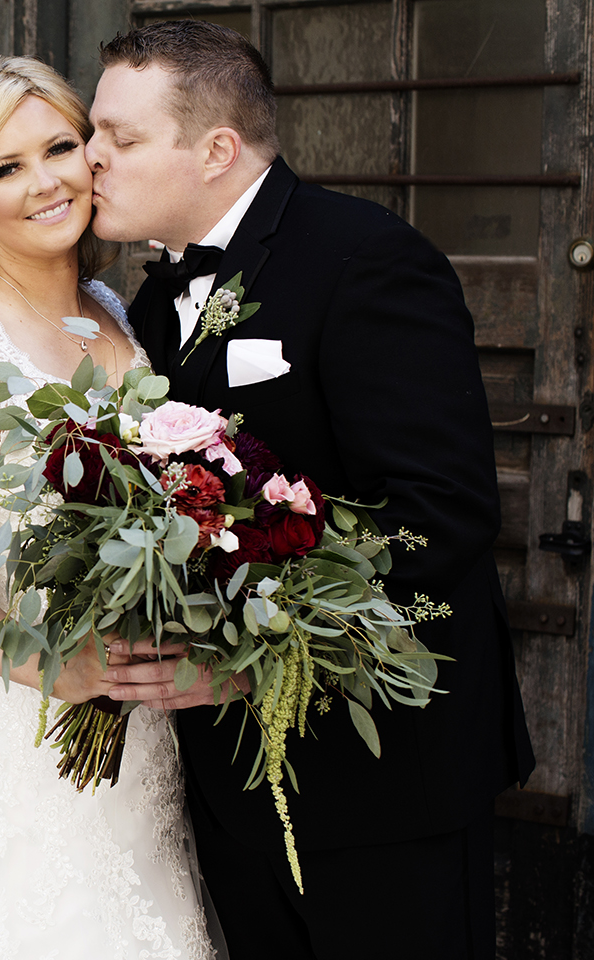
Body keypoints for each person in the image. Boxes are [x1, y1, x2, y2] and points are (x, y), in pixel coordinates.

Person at [84, 20, 535, 960]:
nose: (89, 161)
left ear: (215, 149)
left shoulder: (367, 258)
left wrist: (253, 662)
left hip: (381, 775)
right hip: (228, 775)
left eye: (119, 139)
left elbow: (438, 513)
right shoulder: (151, 300)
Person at [0, 57, 218, 959]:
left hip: (148, 718)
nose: (46, 183)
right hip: (38, 712)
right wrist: (47, 666)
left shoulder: (110, 310)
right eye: (5, 168)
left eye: (59, 147)